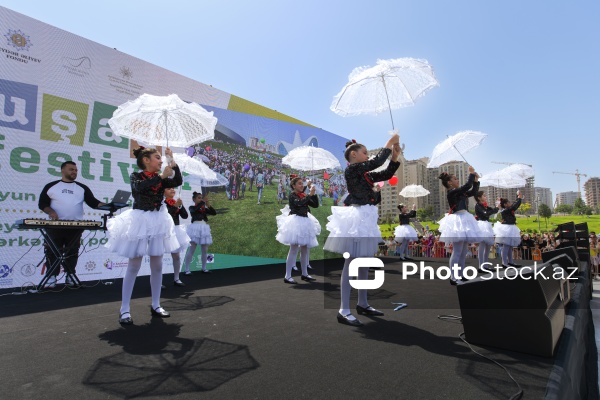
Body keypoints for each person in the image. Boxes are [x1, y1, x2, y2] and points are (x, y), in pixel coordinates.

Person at [324, 134, 401, 326]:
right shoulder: (352, 170)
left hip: (366, 218)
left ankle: (363, 303)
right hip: (355, 219)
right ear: (353, 155)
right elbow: (376, 162)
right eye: (364, 153)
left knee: (365, 261)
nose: (367, 156)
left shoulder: (365, 174)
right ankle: (343, 309)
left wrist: (394, 157)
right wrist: (389, 143)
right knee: (351, 263)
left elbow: (385, 174)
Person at [106, 147, 182, 325]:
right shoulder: (136, 176)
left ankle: (156, 304)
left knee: (157, 264)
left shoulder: (163, 180)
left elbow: (177, 180)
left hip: (157, 221)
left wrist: (173, 162)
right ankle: (124, 308)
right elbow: (139, 188)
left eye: (161, 158)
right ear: (146, 160)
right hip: (140, 221)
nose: (160, 161)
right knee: (134, 265)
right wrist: (161, 176)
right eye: (157, 158)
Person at [38, 161, 106, 288]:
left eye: (75, 170)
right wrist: (51, 211)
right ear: (62, 170)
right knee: (53, 251)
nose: (74, 172)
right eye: (71, 169)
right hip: (55, 226)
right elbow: (42, 204)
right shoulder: (51, 186)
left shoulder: (82, 188)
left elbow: (93, 203)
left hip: (75, 226)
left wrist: (109, 205)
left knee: (73, 251)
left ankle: (70, 275)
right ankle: (51, 276)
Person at [437, 167, 480, 285]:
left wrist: (476, 181)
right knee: (457, 251)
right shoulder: (452, 192)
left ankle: (460, 275)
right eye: (455, 179)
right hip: (458, 220)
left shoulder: (460, 192)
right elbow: (466, 186)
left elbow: (473, 192)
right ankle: (453, 277)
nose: (457, 180)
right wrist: (471, 174)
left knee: (463, 251)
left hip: (465, 218)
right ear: (449, 182)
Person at [276, 177, 319, 283]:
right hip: (296, 223)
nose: (301, 185)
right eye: (299, 184)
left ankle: (304, 274)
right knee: (294, 249)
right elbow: (299, 203)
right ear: (294, 186)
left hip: (305, 222)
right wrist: (309, 195)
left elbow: (315, 205)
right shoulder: (292, 195)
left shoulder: (304, 195)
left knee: (304, 249)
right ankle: (287, 275)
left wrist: (313, 193)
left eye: (302, 183)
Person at [182, 191, 217, 274]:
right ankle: (187, 269)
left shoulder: (203, 208)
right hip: (195, 228)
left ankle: (204, 268)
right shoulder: (191, 207)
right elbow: (195, 209)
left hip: (204, 227)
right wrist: (203, 202)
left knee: (205, 250)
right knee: (192, 249)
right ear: (194, 199)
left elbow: (214, 213)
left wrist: (208, 204)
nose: (201, 199)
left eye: (201, 198)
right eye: (199, 198)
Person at [164, 187, 190, 287]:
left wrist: (180, 206)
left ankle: (176, 278)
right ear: (164, 191)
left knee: (176, 256)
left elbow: (185, 216)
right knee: (158, 257)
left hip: (175, 230)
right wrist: (175, 206)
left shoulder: (176, 202)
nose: (172, 190)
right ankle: (157, 281)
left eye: (173, 188)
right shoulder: (162, 203)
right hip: (164, 231)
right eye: (169, 188)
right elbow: (167, 215)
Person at [493, 192, 524, 268]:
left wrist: (518, 197)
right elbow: (514, 206)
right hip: (507, 228)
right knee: (506, 246)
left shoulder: (507, 209)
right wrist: (519, 198)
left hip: (510, 227)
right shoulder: (506, 210)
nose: (510, 203)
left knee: (510, 246)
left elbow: (513, 205)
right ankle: (504, 262)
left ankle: (510, 261)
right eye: (509, 202)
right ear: (505, 204)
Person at [474, 190, 498, 270]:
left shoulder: (485, 206)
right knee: (482, 245)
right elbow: (486, 213)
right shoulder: (478, 205)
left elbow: (494, 211)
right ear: (479, 198)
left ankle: (486, 266)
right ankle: (481, 266)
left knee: (488, 246)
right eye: (484, 195)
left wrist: (497, 206)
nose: (485, 197)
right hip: (482, 225)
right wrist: (493, 209)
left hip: (487, 224)